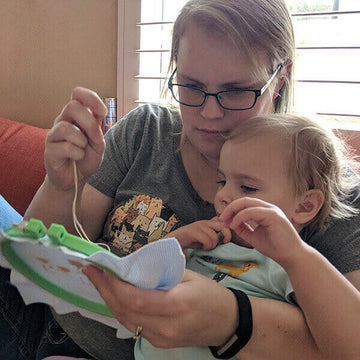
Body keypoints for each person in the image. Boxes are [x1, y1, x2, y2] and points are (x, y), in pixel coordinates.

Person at [0, 0, 359, 359]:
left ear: (280, 77)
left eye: (236, 91)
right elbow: (36, 262)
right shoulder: (145, 131)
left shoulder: (317, 178)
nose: (209, 112)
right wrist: (61, 185)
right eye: (190, 85)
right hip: (41, 319)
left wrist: (232, 318)